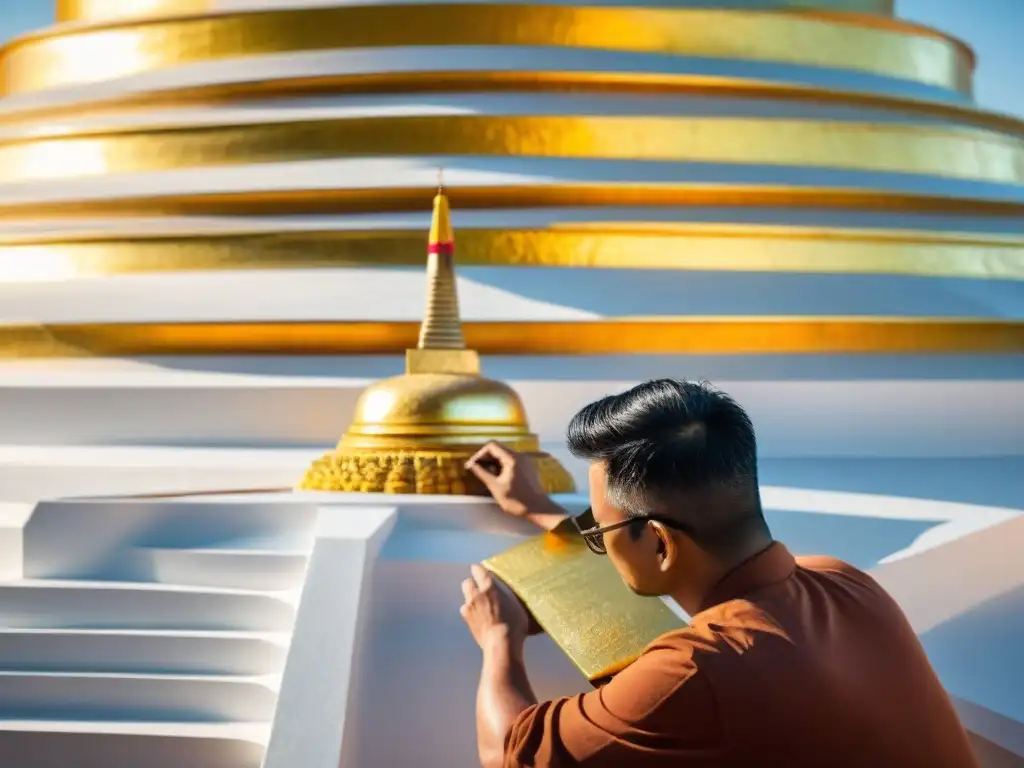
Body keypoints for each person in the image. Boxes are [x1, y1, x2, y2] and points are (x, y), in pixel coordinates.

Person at [459, 379, 979, 768]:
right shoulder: (846, 585)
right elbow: (675, 580)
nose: (596, 535)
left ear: (660, 541)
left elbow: (510, 752)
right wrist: (540, 511)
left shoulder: (690, 676)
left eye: (600, 528)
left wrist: (498, 638)